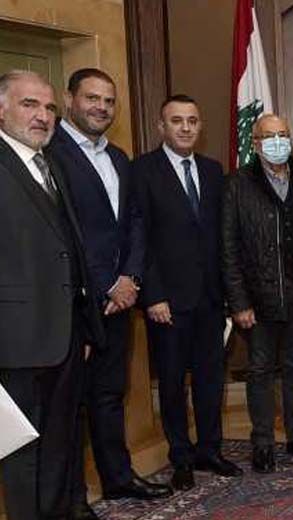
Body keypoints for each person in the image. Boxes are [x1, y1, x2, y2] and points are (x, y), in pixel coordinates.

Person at [46, 68, 171, 515]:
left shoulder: (118, 157)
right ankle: (74, 498)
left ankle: (118, 479)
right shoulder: (50, 154)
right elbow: (64, 234)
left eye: (109, 101)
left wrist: (131, 279)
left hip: (121, 301)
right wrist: (105, 285)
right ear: (70, 99)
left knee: (109, 394)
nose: (101, 107)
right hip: (77, 305)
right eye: (92, 98)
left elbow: (135, 221)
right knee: (71, 407)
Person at [0, 69, 102, 520]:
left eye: (48, 108)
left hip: (63, 335)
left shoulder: (50, 163)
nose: (42, 116)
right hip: (14, 343)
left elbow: (68, 248)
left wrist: (81, 321)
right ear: (1, 108)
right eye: (29, 105)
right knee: (22, 456)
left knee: (60, 445)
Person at [133, 94, 243, 492]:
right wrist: (153, 295)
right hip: (169, 302)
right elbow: (139, 237)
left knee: (211, 380)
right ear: (162, 127)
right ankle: (180, 456)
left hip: (211, 299)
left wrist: (231, 294)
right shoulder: (143, 171)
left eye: (192, 120)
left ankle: (209, 450)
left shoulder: (214, 172)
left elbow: (224, 238)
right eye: (176, 120)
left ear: (200, 126)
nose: (185, 127)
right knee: (174, 382)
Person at [222, 113, 293, 472]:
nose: (278, 141)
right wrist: (239, 302)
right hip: (257, 297)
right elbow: (229, 248)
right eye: (269, 136)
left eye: (283, 134)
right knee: (261, 369)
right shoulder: (238, 184)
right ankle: (262, 441)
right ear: (255, 142)